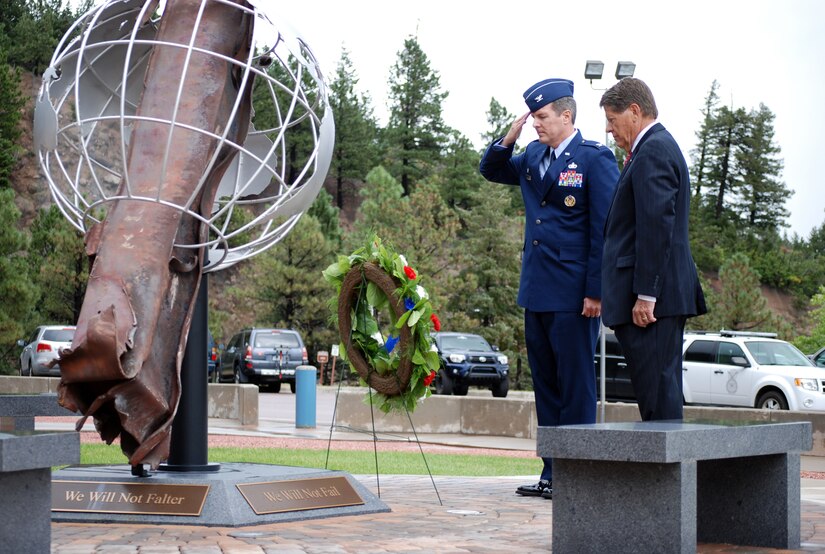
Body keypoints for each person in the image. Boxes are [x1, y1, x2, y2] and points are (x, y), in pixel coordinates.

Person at [479, 78, 619, 499]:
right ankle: (551, 472)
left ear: (566, 116)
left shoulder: (594, 159)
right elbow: (490, 169)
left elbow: (604, 231)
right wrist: (508, 138)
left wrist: (596, 291)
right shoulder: (533, 154)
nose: (536, 124)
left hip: (576, 294)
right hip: (537, 288)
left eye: (541, 117)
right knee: (546, 386)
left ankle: (578, 474)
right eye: (533, 117)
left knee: (576, 386)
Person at [599, 77, 707, 421]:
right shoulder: (649, 149)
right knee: (656, 393)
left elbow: (656, 226)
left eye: (612, 120)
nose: (609, 129)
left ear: (635, 111)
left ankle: (668, 476)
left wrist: (646, 294)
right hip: (652, 298)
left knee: (658, 398)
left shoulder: (654, 150)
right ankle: (666, 475)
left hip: (650, 304)